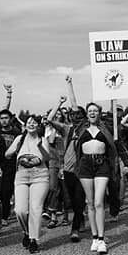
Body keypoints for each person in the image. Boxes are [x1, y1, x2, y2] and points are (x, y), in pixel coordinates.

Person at [48, 75, 88, 243]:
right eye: (73, 114)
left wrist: (70, 85)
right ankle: (81, 217)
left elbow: (75, 105)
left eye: (78, 114)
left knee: (79, 199)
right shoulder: (66, 129)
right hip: (68, 171)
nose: (75, 116)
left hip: (84, 170)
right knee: (70, 200)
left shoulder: (87, 128)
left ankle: (75, 229)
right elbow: (49, 120)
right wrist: (59, 104)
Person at [6, 115, 52, 253]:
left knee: (36, 208)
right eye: (29, 122)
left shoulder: (43, 139)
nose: (31, 124)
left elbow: (48, 157)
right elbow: (7, 155)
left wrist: (40, 147)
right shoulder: (19, 139)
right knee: (20, 210)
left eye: (34, 122)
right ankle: (26, 232)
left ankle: (34, 240)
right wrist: (14, 150)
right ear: (25, 126)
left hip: (40, 175)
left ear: (38, 126)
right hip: (21, 176)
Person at [76, 102, 117, 255]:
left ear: (100, 113)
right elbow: (74, 108)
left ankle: (101, 238)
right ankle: (94, 237)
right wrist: (69, 85)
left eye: (95, 111)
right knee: (90, 202)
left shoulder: (105, 129)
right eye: (90, 111)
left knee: (99, 202)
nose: (92, 113)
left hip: (102, 164)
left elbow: (112, 147)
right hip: (85, 164)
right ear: (87, 114)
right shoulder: (81, 129)